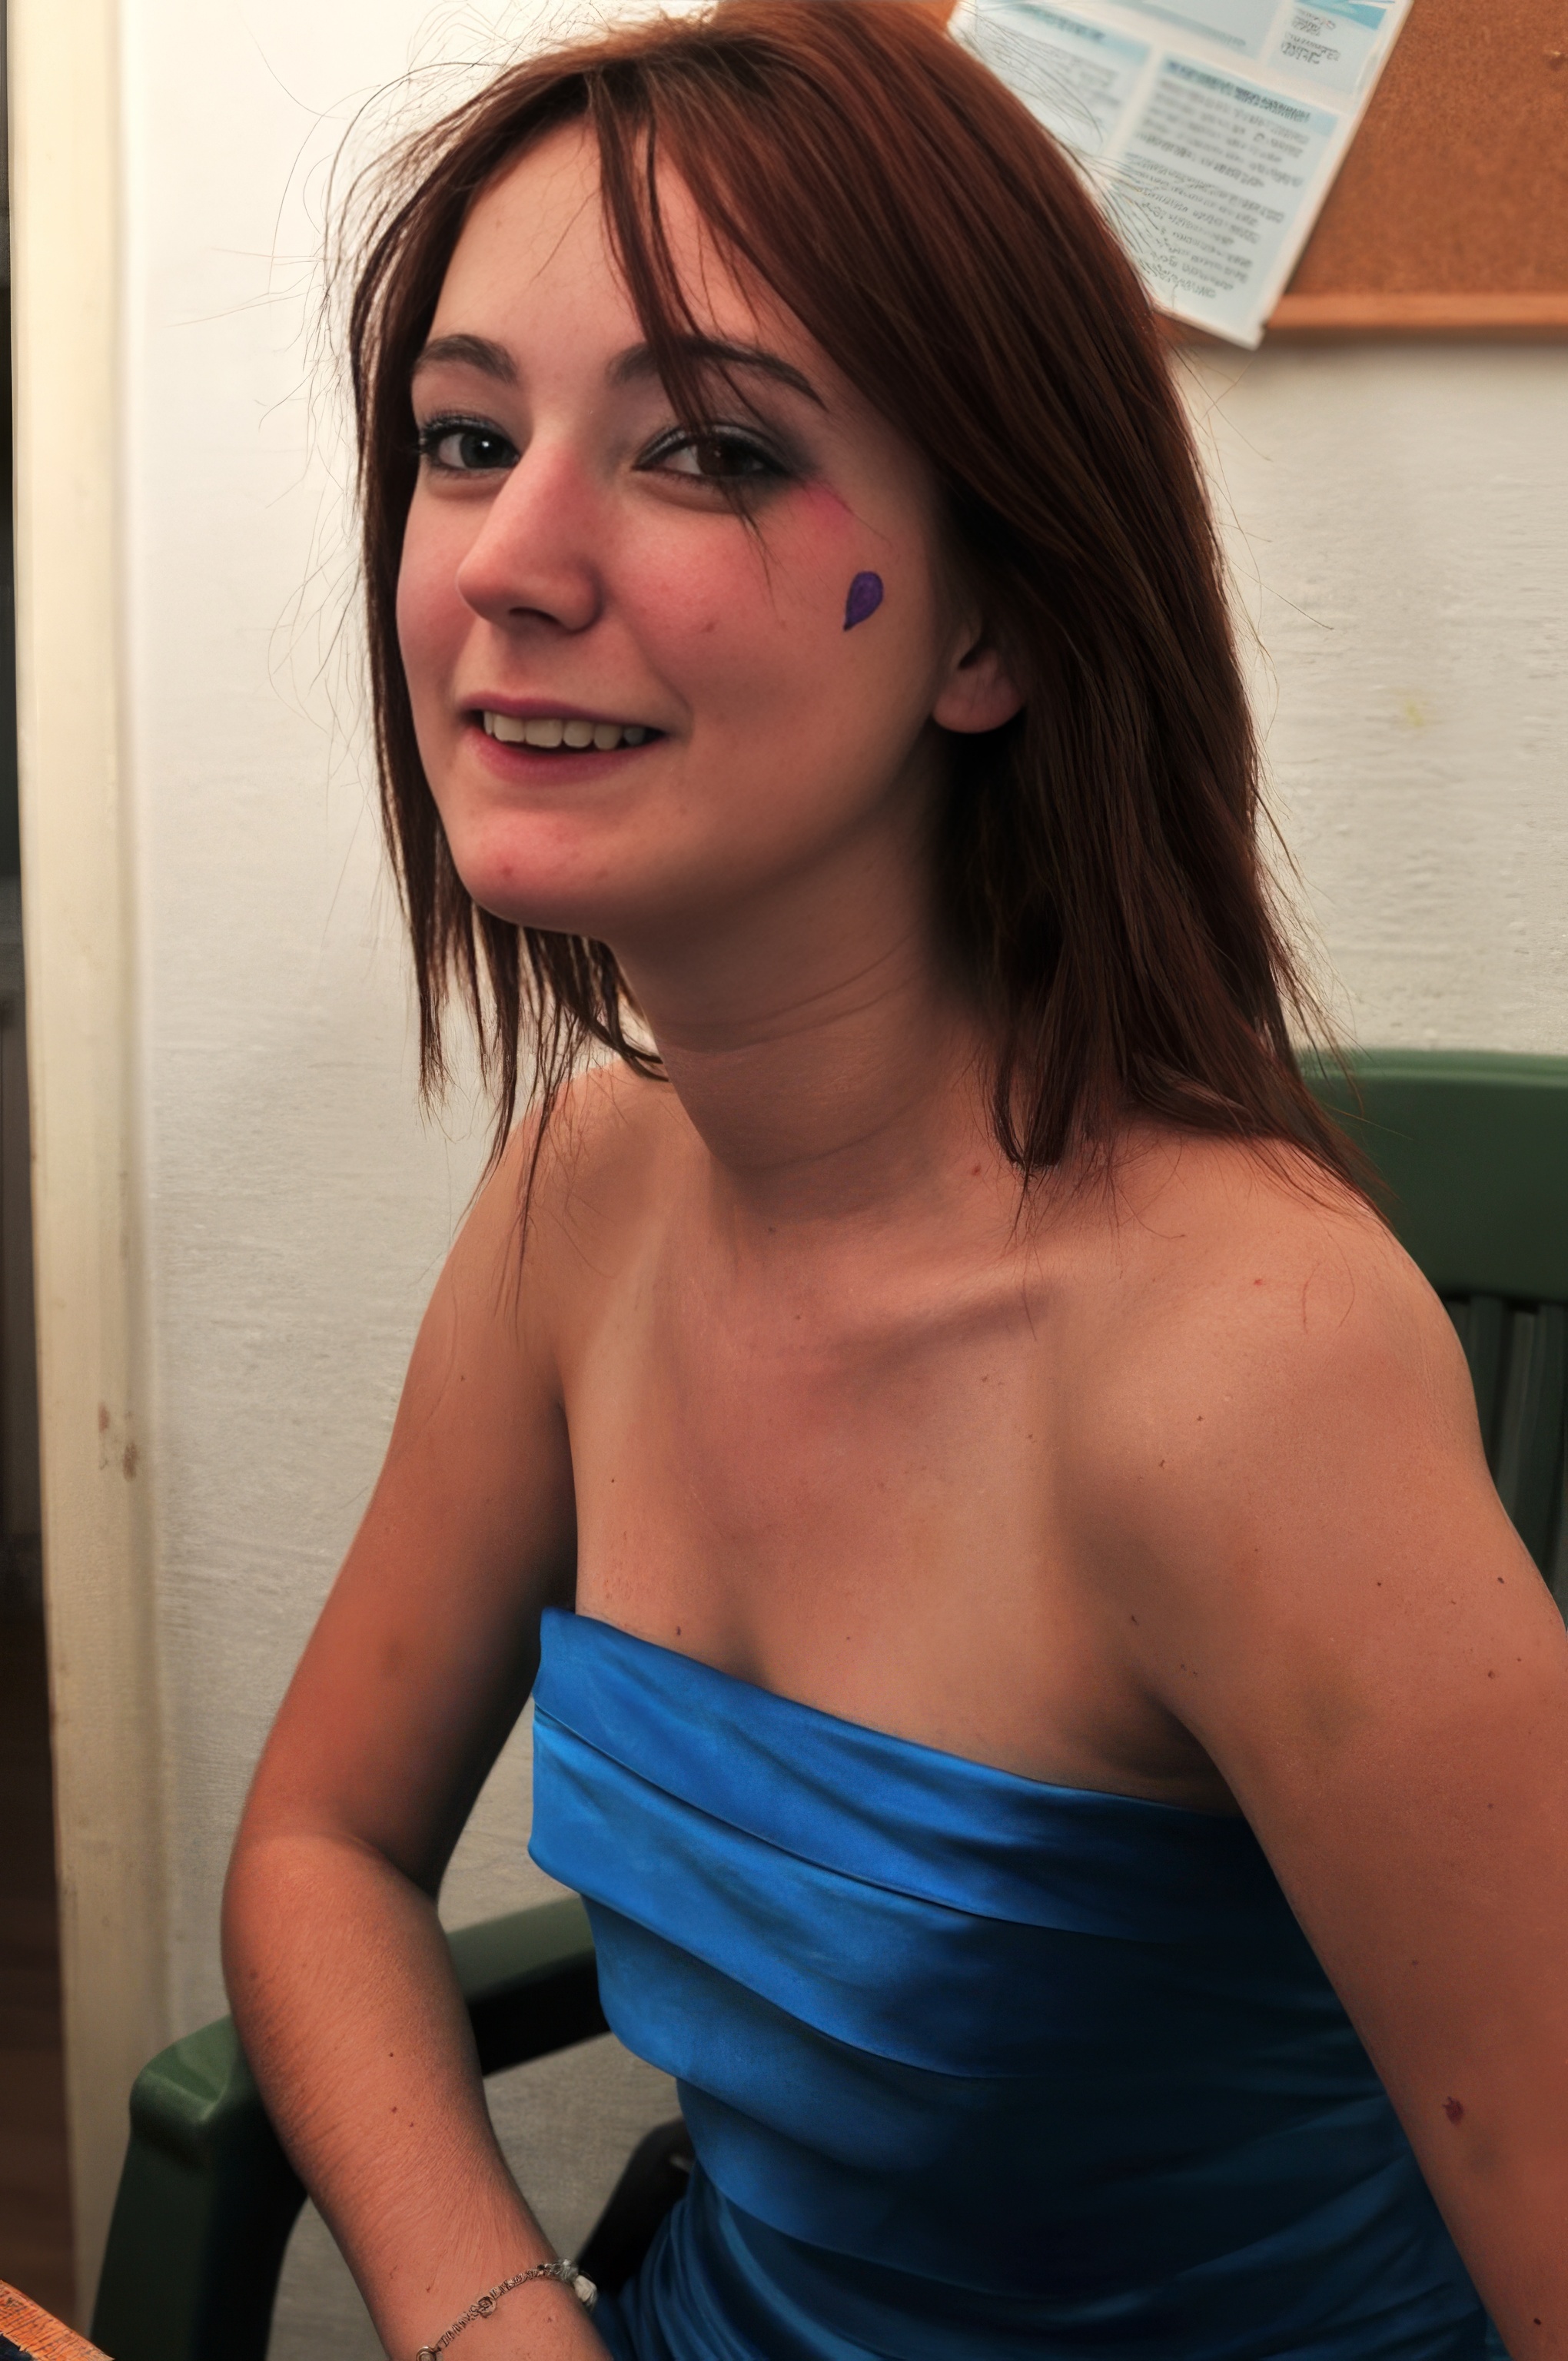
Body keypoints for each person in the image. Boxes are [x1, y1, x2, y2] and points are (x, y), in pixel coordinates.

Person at [221, 7, 1568, 2359]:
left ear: (996, 620)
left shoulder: (1246, 1368)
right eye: (462, 438)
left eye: (710, 449)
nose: (507, 564)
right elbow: (321, 1854)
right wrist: (482, 2313)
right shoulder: (582, 1203)